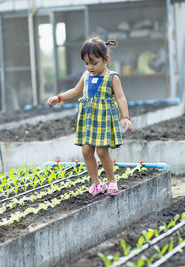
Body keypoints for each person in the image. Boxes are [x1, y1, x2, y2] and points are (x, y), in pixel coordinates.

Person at [47, 36, 133, 196]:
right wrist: (58, 97)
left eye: (94, 63)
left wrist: (126, 117)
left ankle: (111, 180)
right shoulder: (86, 76)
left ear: (106, 59)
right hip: (89, 120)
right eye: (86, 63)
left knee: (101, 151)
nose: (90, 67)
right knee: (86, 150)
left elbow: (121, 97)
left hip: (103, 119)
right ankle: (96, 183)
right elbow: (75, 91)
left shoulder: (112, 77)